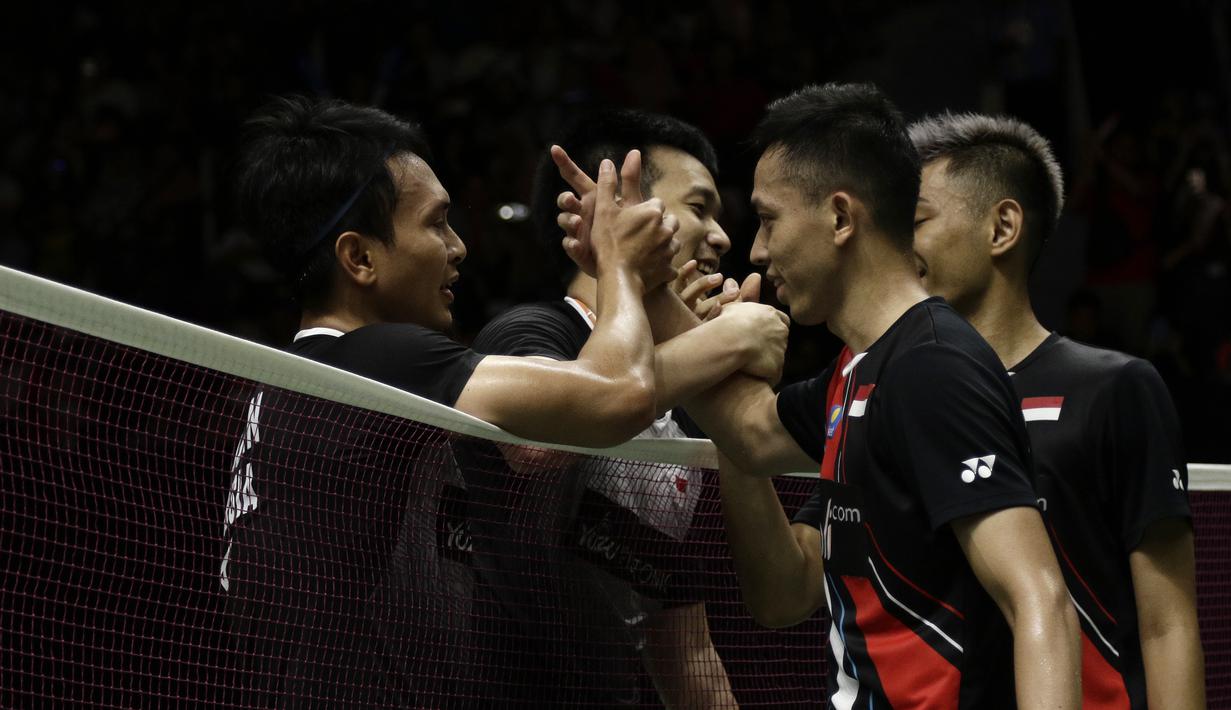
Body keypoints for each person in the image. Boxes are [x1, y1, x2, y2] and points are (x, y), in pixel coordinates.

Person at [553, 83, 1082, 708]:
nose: (756, 250)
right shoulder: (856, 372)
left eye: (770, 220)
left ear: (839, 217)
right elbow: (748, 432)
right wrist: (641, 273)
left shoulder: (933, 366)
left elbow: (1039, 598)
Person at [221, 95, 686, 706]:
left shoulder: (290, 383)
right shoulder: (378, 358)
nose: (458, 246)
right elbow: (620, 392)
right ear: (359, 257)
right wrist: (618, 266)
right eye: (436, 223)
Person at [473, 108, 775, 707]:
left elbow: (685, 647)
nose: (721, 236)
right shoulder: (534, 335)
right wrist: (728, 340)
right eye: (698, 207)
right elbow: (536, 446)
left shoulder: (688, 407)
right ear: (623, 208)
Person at [909, 112, 1206, 708]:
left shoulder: (1116, 389)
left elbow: (1167, 624)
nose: (897, 247)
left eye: (915, 221)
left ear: (1003, 228)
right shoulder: (898, 396)